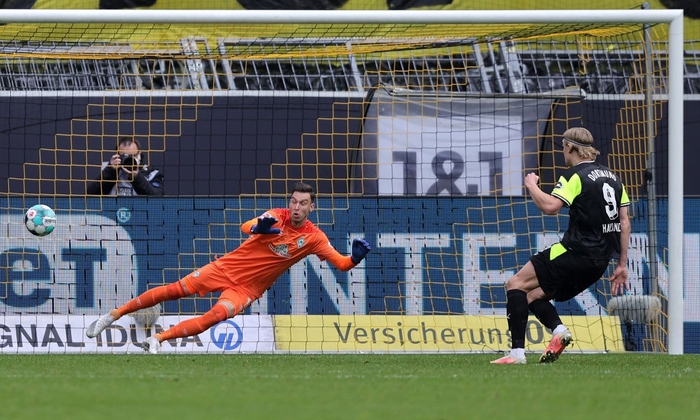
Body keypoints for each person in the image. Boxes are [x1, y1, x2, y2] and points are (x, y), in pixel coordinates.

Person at [86, 181, 371, 354]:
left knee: (214, 317)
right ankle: (114, 314)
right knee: (173, 291)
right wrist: (259, 227)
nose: (296, 207)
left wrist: (355, 258)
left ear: (312, 207)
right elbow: (246, 225)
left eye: (303, 203)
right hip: (224, 268)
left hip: (247, 289)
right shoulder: (277, 215)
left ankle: (158, 339)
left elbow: (342, 264)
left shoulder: (314, 238)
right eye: (294, 201)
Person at [491, 127, 631, 365]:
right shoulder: (614, 177)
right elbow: (624, 222)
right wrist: (621, 264)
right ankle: (558, 332)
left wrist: (532, 185)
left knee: (515, 285)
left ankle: (516, 355)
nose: (562, 153)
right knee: (532, 296)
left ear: (569, 147)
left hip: (575, 253)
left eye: (563, 148)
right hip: (599, 263)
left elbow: (551, 207)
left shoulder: (575, 175)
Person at [86, 136, 164, 196]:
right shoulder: (108, 169)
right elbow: (90, 194)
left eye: (132, 156)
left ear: (139, 154)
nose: (128, 160)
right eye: (124, 156)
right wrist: (110, 171)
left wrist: (137, 178)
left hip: (140, 213)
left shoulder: (151, 173)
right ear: (117, 155)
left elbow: (157, 199)